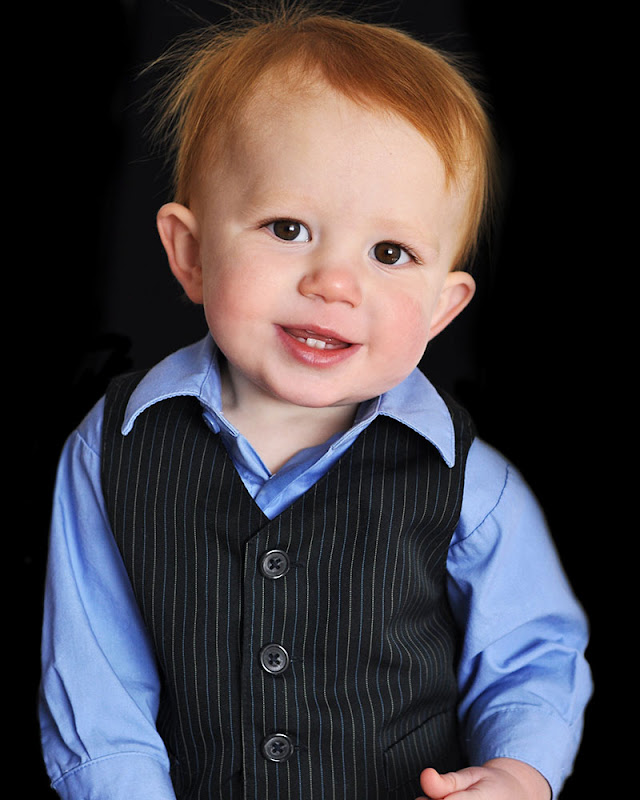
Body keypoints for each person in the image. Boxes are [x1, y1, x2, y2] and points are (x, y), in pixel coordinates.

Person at [39, 5, 592, 799]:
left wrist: (517, 770)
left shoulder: (467, 479)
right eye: (288, 228)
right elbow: (96, 685)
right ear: (191, 254)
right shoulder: (112, 449)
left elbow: (530, 652)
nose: (334, 282)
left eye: (390, 252)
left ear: (441, 310)